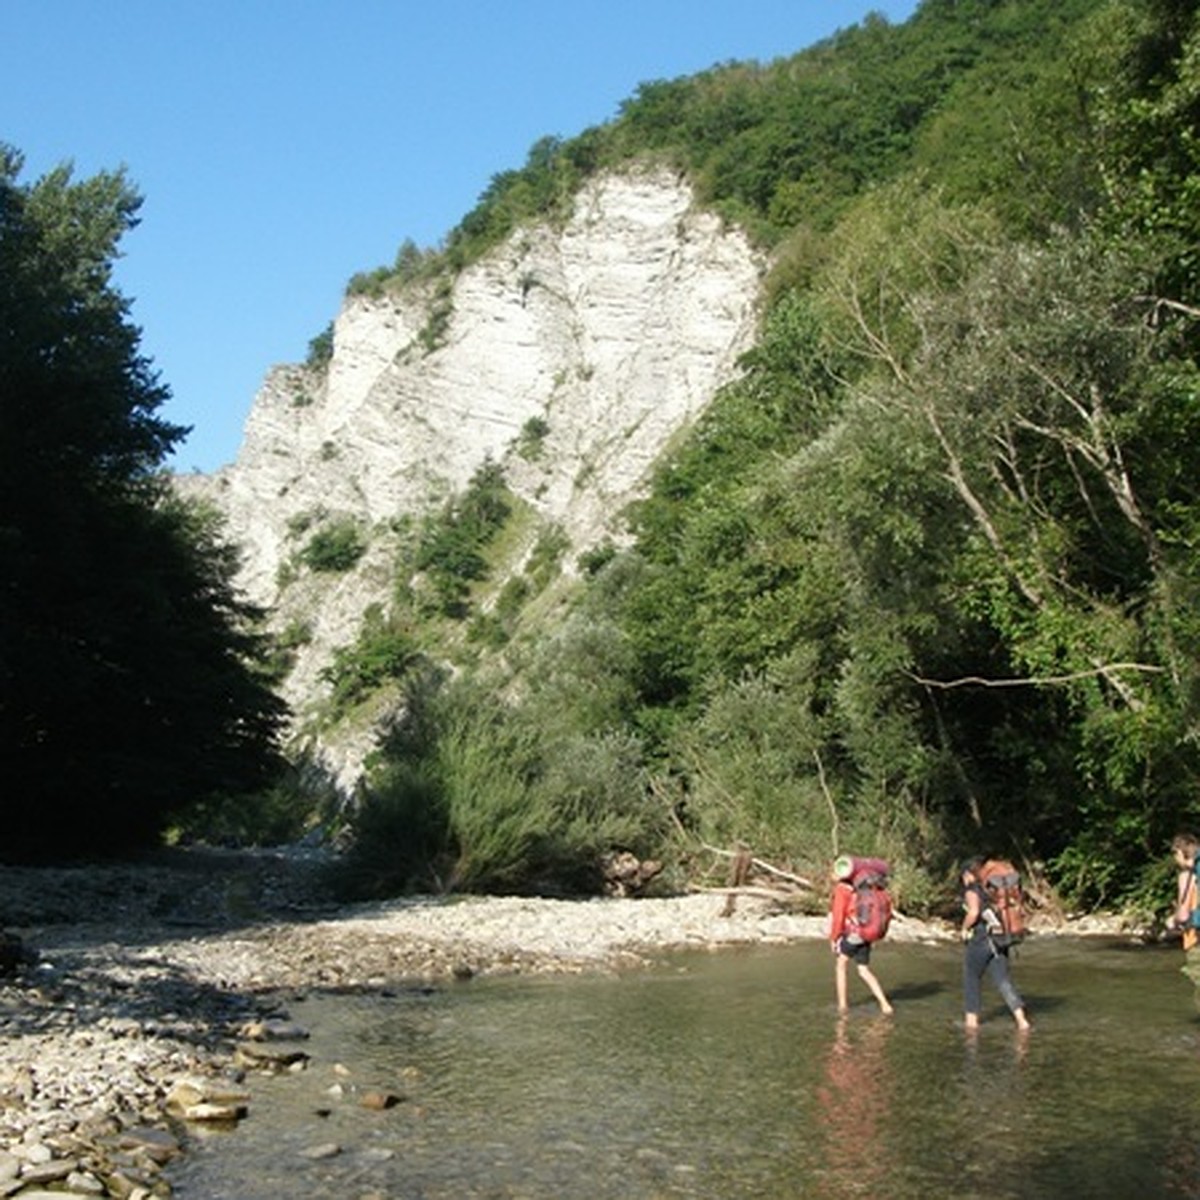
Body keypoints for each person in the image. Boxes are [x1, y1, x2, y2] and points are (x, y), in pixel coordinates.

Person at [959, 858, 1031, 1032]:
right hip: (1001, 938)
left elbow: (974, 912)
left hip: (982, 939)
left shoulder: (972, 890)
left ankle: (971, 1023)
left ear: (968, 874)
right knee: (1003, 980)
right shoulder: (992, 890)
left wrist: (963, 929)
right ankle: (1022, 1021)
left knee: (972, 977)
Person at [828, 864, 893, 1015]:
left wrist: (833, 938)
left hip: (853, 933)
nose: (830, 875)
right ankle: (885, 1005)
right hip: (867, 932)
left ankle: (842, 1006)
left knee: (840, 964)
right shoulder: (864, 888)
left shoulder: (842, 889)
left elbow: (838, 917)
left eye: (832, 871)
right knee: (863, 970)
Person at [1167, 833, 1200, 1006]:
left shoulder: (1186, 876)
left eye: (1175, 853)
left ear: (1182, 852)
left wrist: (1173, 920)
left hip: (1196, 938)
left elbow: (1184, 915)